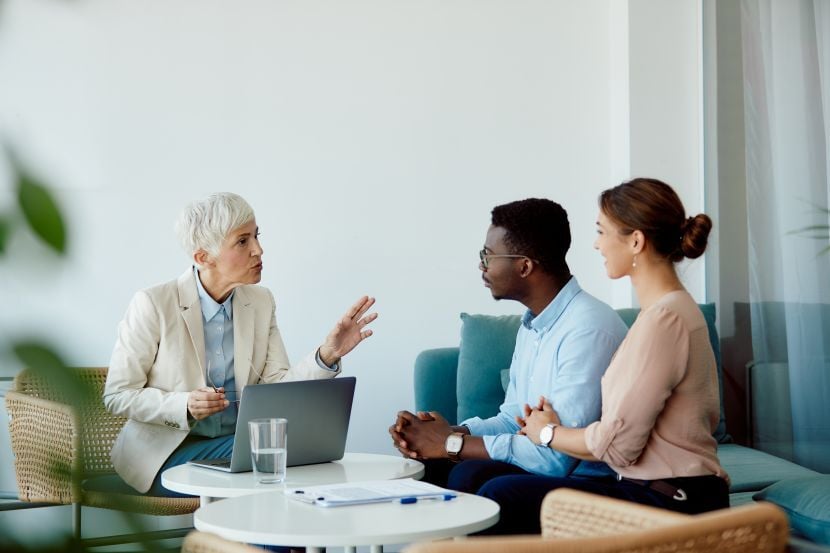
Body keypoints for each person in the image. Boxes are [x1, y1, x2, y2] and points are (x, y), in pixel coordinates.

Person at [478, 178, 729, 535]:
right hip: (654, 488)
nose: (597, 244)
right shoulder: (663, 313)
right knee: (489, 482)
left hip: (671, 499)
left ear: (636, 241)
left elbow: (618, 447)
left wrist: (547, 432)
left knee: (504, 493)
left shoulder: (665, 319)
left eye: (602, 231)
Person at [103, 192, 377, 495]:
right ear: (203, 257)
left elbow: (278, 386)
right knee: (279, 461)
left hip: (239, 449)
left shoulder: (261, 302)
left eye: (256, 236)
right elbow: (118, 395)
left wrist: (327, 354)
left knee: (290, 458)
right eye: (242, 241)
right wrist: (185, 404)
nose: (259, 250)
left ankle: (287, 542)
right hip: (166, 456)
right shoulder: (153, 304)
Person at [389, 198, 627, 495]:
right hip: (543, 465)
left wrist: (450, 444)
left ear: (524, 266)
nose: (481, 265)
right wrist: (447, 434)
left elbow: (555, 457)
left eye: (488, 256)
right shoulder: (533, 325)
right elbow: (513, 420)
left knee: (475, 479)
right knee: (427, 467)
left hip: (587, 480)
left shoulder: (588, 329)